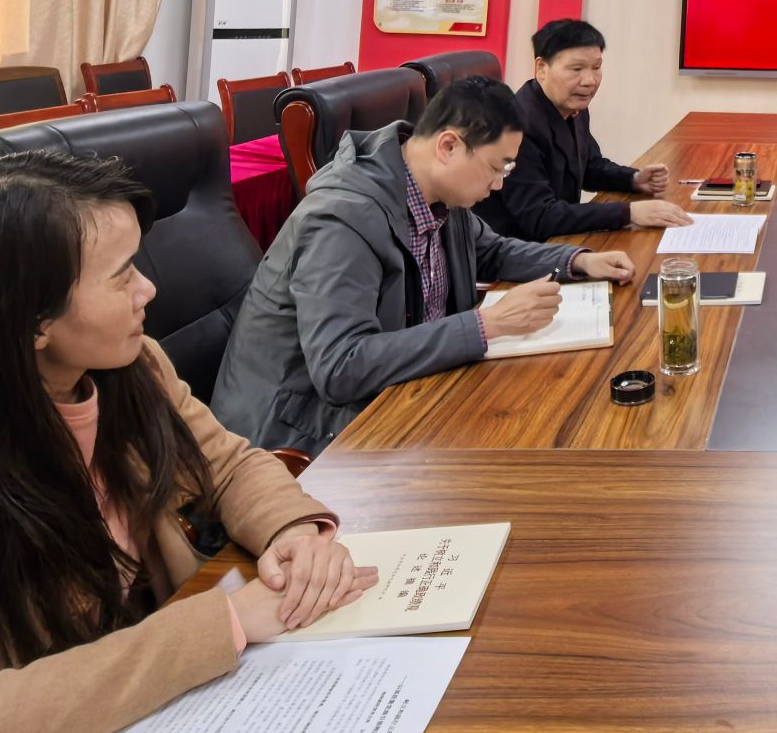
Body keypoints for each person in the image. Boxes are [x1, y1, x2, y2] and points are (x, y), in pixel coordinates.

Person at [0, 153, 378, 733]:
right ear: (30, 319)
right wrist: (224, 622)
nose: (148, 289)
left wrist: (293, 531)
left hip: (155, 712)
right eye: (123, 274)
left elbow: (229, 462)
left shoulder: (129, 366)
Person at [212, 76, 635, 456]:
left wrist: (578, 260)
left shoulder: (438, 194)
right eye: (496, 167)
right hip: (297, 435)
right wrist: (486, 325)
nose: (499, 184)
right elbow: (342, 367)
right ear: (448, 146)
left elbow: (492, 251)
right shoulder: (342, 221)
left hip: (398, 398)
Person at [480, 18, 693, 240]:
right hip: (516, 250)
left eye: (596, 67)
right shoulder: (517, 126)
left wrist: (634, 179)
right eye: (576, 69)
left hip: (558, 240)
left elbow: (590, 166)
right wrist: (628, 212)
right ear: (541, 68)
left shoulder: (573, 107)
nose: (590, 80)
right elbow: (540, 217)